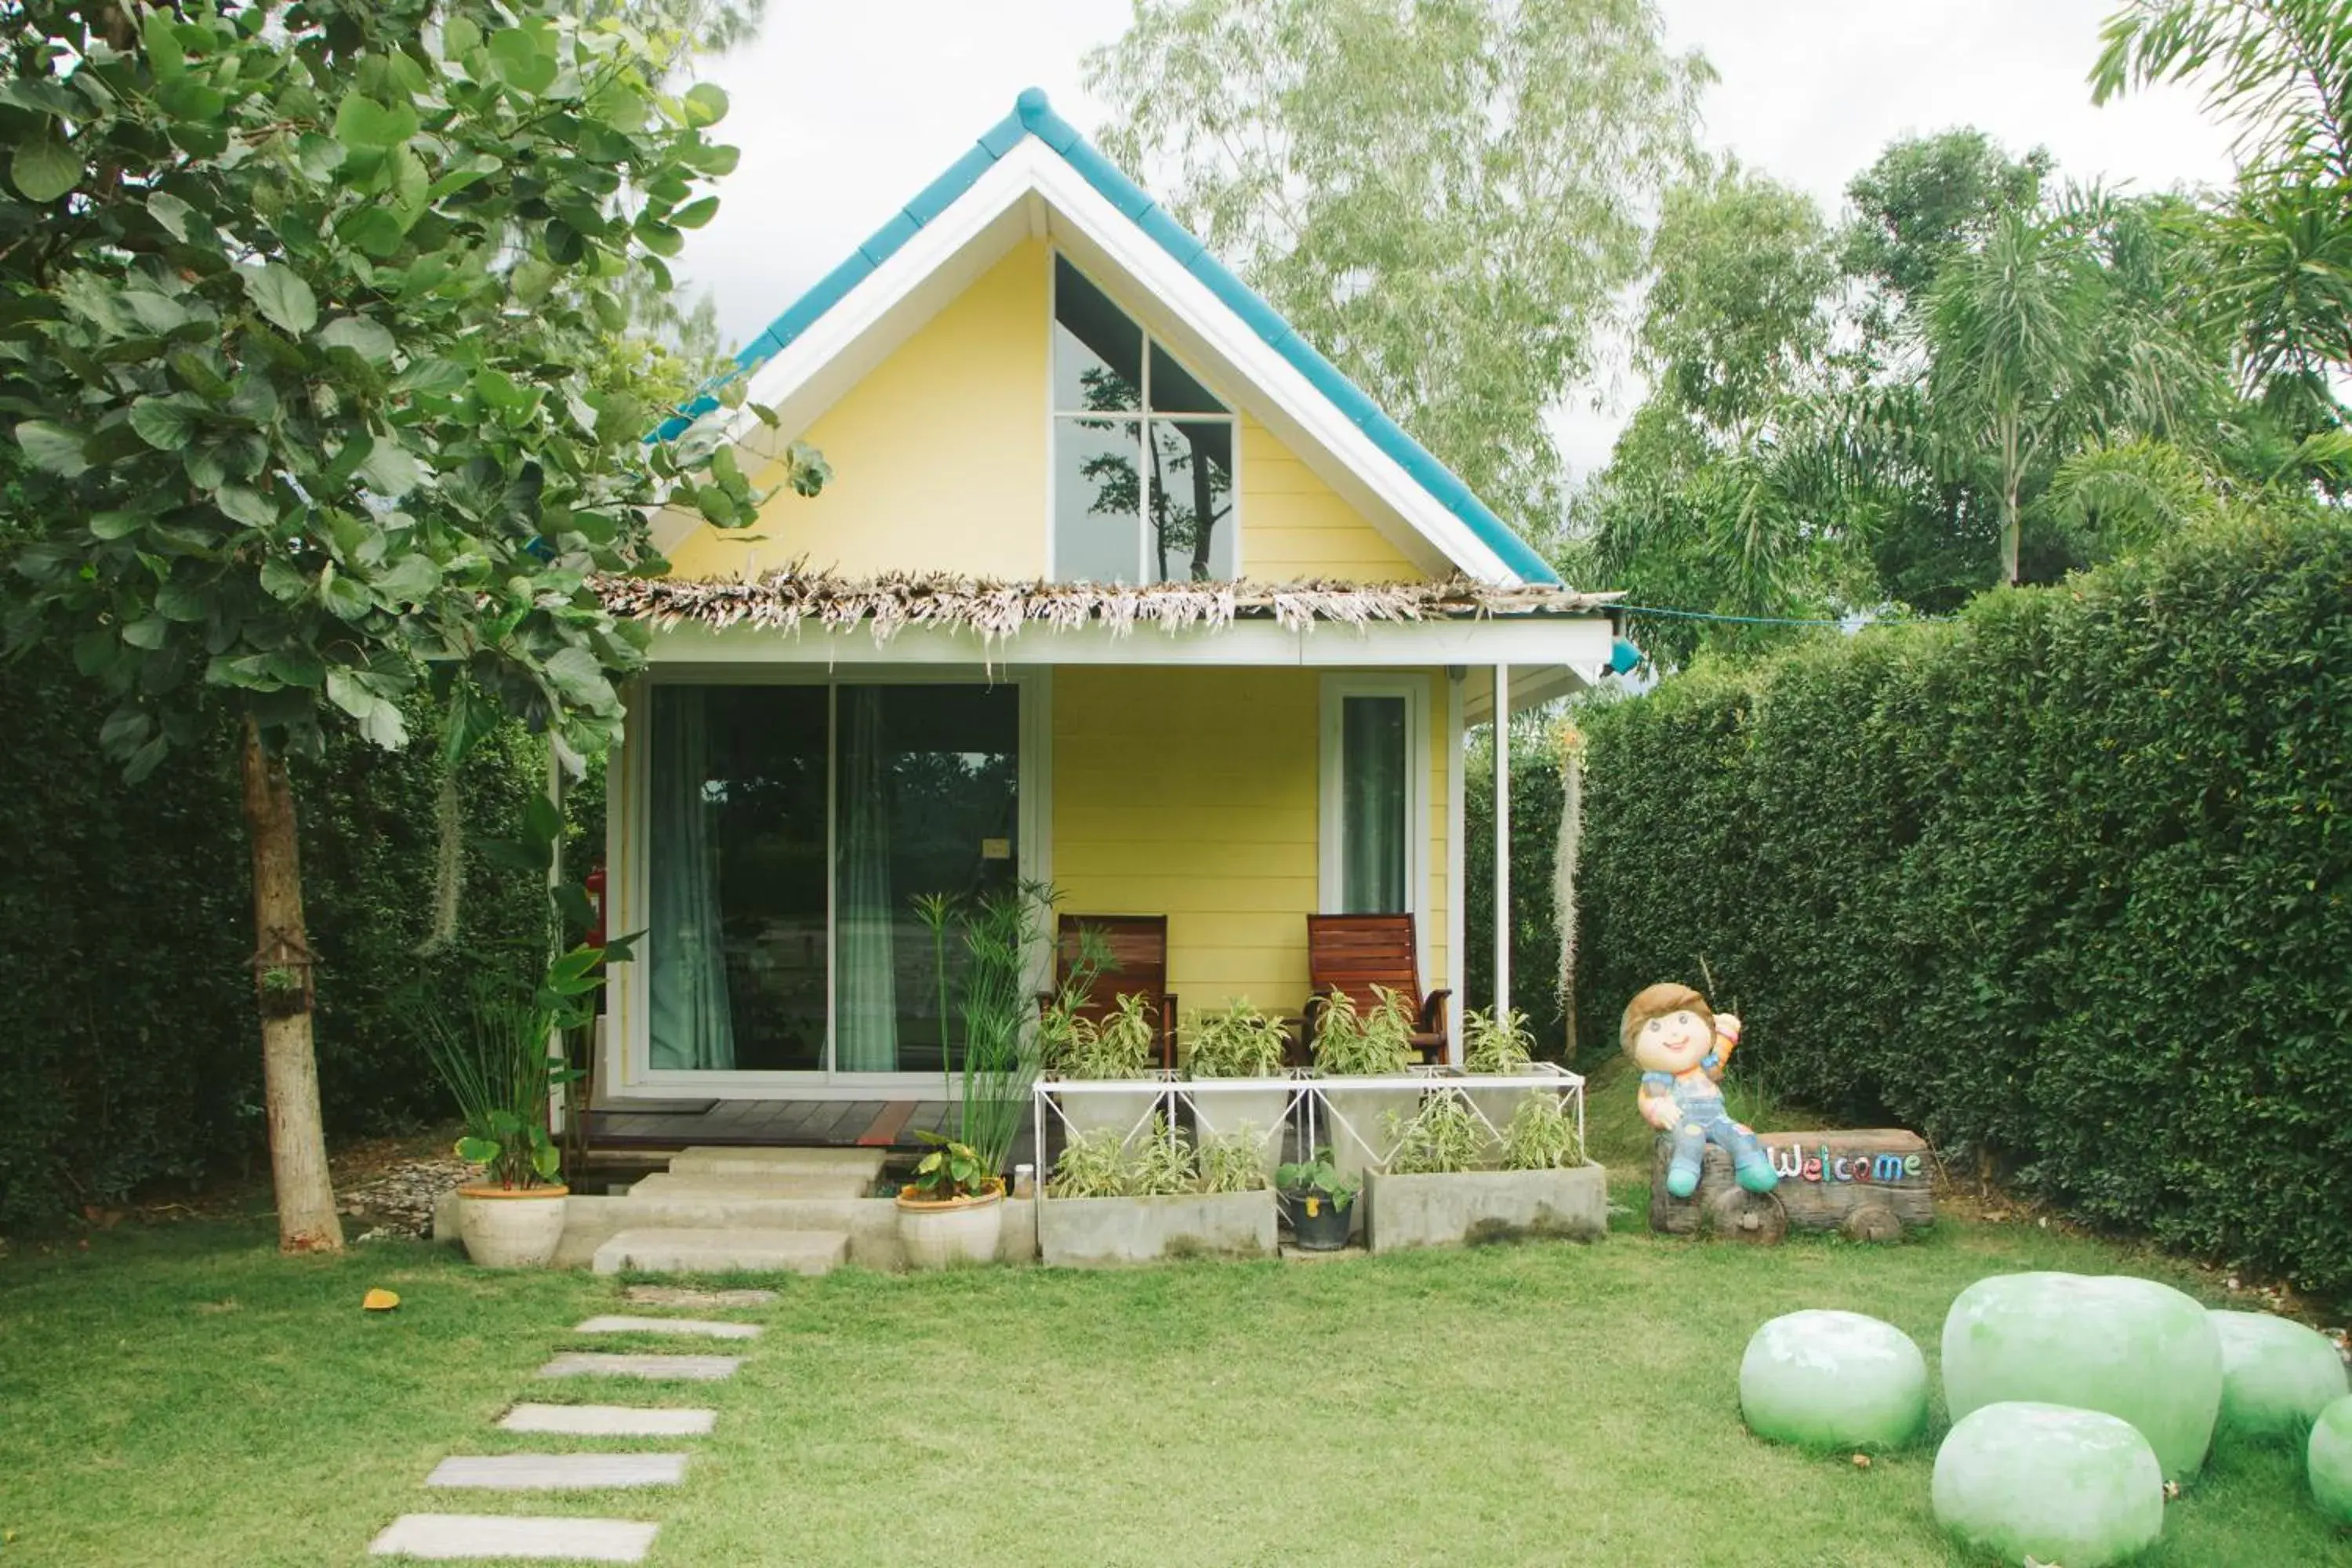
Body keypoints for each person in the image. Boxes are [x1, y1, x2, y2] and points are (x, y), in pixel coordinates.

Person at [1621, 982, 1778, 1199]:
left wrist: (1725, 1032)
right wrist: (1660, 1110)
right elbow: (1649, 1099)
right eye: (1655, 1027)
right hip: (1685, 1123)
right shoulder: (1659, 1077)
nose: (1675, 1033)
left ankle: (1752, 1167)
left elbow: (1721, 1054)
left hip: (1717, 1119)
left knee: (1741, 1134)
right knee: (1690, 1140)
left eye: (1683, 1020)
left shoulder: (1705, 1065)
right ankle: (1684, 1171)